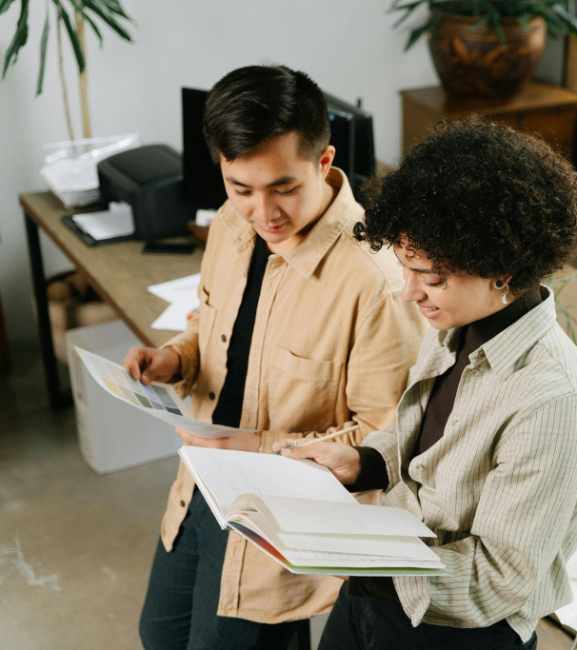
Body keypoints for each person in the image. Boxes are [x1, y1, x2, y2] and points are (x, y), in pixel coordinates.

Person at [274, 118, 577, 650]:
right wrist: (366, 462)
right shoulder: (456, 324)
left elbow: (498, 581)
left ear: (502, 268)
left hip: (455, 630)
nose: (410, 292)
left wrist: (361, 562)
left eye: (431, 276)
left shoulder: (554, 403)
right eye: (405, 267)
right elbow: (432, 439)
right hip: (383, 585)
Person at [126, 64, 427, 649]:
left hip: (280, 516)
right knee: (158, 635)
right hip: (202, 486)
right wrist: (175, 359)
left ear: (323, 160)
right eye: (241, 189)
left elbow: (386, 437)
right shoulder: (229, 230)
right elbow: (214, 328)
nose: (263, 213)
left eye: (283, 187)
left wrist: (261, 446)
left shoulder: (373, 279)